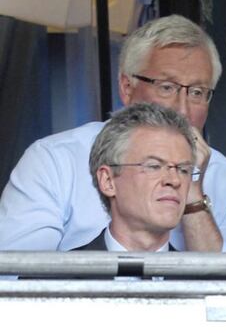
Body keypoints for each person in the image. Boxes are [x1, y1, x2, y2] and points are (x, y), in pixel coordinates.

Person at [0, 15, 226, 252]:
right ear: (127, 87)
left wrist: (193, 192)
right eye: (167, 87)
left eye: (196, 92)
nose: (182, 109)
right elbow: (18, 278)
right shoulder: (55, 160)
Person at [74, 103, 194, 251]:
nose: (174, 180)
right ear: (108, 181)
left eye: (183, 170)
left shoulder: (197, 274)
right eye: (154, 166)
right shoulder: (58, 273)